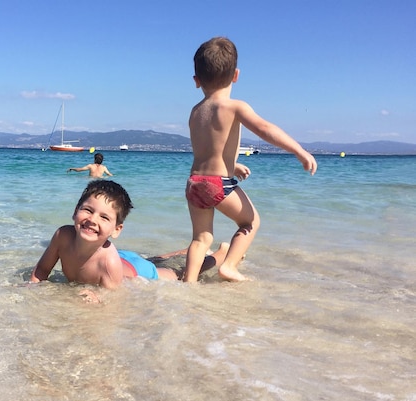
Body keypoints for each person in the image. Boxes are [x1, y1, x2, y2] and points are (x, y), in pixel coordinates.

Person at [184, 36, 317, 283]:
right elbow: (265, 129)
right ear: (236, 75)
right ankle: (229, 267)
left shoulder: (195, 112)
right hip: (216, 184)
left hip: (194, 182)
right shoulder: (234, 106)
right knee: (251, 222)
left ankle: (188, 282)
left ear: (196, 81)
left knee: (201, 238)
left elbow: (207, 151)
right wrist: (299, 150)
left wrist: (232, 165)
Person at [31, 180, 229, 292]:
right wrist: (32, 286)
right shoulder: (62, 236)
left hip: (135, 270)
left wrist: (98, 298)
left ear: (116, 230)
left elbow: (114, 299)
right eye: (88, 210)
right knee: (158, 259)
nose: (92, 219)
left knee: (179, 273)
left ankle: (220, 255)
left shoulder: (108, 263)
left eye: (104, 217)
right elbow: (42, 269)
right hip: (122, 257)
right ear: (75, 211)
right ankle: (185, 250)